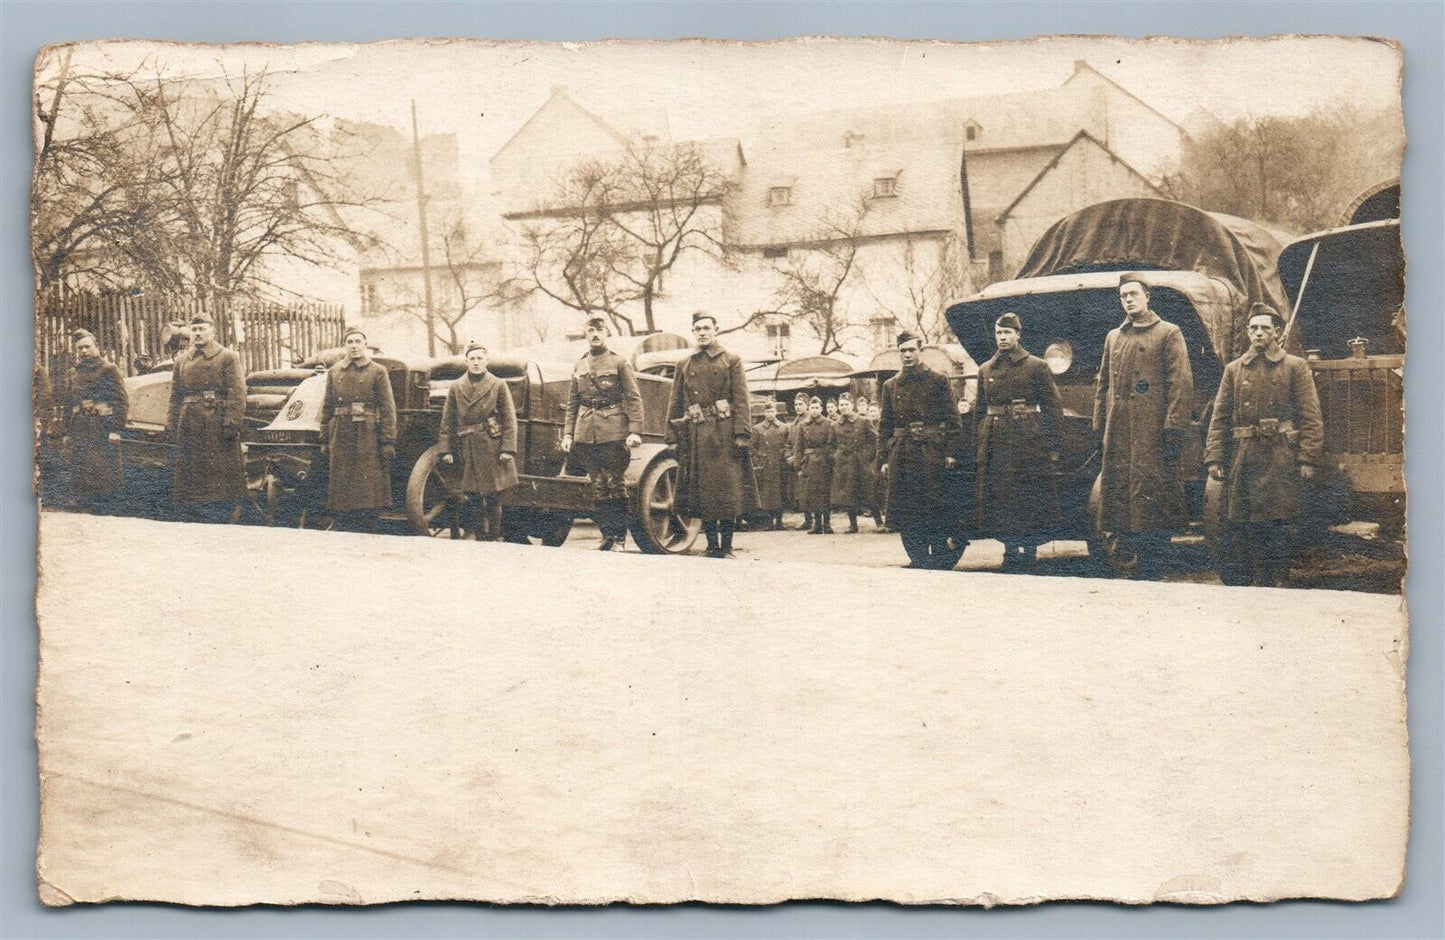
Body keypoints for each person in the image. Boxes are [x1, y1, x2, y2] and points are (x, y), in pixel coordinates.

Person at [1204, 304, 1324, 587]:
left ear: (1277, 333)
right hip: (1244, 457)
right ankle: (1256, 582)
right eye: (1253, 328)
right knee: (1245, 524)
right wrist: (1214, 458)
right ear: (1247, 332)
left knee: (1278, 522)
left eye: (1265, 328)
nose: (1259, 333)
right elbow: (1219, 417)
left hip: (1280, 455)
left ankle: (1278, 580)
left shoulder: (1294, 366)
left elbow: (1311, 415)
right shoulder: (1234, 370)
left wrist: (1307, 458)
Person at [1093, 273, 1195, 580]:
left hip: (1153, 432)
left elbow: (1180, 383)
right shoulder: (1114, 337)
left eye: (1134, 293)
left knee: (1152, 494)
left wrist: (1173, 426)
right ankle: (1133, 561)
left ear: (1147, 296)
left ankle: (1155, 564)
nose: (1128, 299)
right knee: (1122, 496)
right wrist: (1101, 424)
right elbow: (1103, 384)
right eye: (1123, 295)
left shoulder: (1168, 333)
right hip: (1120, 430)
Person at [974, 313, 1063, 572]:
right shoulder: (985, 369)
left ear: (1018, 335)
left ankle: (1031, 549)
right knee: (1002, 499)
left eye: (1007, 333)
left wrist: (1054, 445)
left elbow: (1052, 408)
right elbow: (980, 413)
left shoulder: (1036, 366)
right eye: (999, 333)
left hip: (1029, 441)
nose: (1002, 338)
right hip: (997, 442)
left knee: (1029, 497)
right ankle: (1011, 548)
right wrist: (978, 446)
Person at [665, 312, 752, 558]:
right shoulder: (684, 364)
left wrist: (742, 433)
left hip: (724, 434)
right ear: (693, 332)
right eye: (697, 329)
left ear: (716, 330)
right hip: (696, 433)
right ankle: (712, 545)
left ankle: (727, 546)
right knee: (702, 493)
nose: (702, 333)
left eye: (706, 328)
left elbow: (741, 399)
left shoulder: (731, 360)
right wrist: (671, 435)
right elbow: (675, 401)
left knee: (726, 491)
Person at [877, 331, 966, 568]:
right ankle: (918, 558)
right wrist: (884, 459)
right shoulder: (891, 385)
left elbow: (953, 420)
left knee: (934, 507)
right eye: (902, 351)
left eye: (911, 350)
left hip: (931, 454)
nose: (907, 355)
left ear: (920, 350)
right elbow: (885, 425)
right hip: (903, 455)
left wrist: (950, 452)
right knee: (907, 509)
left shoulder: (938, 380)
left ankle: (939, 558)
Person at [562, 314, 645, 550]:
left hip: (614, 431)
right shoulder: (579, 364)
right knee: (597, 485)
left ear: (607, 333)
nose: (595, 334)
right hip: (586, 432)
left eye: (600, 330)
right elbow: (572, 403)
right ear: (586, 334)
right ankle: (606, 537)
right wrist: (568, 434)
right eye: (591, 330)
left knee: (615, 483)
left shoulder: (619, 362)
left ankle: (619, 538)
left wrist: (635, 430)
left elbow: (633, 398)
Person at [167, 312, 247, 523]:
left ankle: (220, 515)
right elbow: (175, 396)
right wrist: (172, 424)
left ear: (213, 331)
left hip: (215, 423)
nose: (198, 333)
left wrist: (231, 423)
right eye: (194, 329)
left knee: (217, 475)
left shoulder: (227, 357)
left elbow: (237, 392)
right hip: (189, 424)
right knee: (191, 476)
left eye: (202, 329)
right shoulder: (182, 360)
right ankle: (193, 515)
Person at [318, 327, 397, 533]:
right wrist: (324, 438)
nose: (353, 346)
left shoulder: (377, 371)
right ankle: (344, 524)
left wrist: (388, 440)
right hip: (341, 430)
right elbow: (327, 405)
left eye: (357, 342)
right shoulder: (335, 371)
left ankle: (368, 525)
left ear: (365, 344)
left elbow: (387, 407)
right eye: (349, 342)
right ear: (345, 346)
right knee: (342, 478)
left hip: (367, 431)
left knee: (366, 480)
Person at [439, 342, 518, 541]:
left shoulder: (498, 384)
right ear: (466, 361)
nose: (476, 363)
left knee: (493, 495)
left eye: (480, 358)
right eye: (472, 359)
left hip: (491, 444)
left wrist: (508, 448)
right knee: (472, 496)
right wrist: (445, 450)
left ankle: (492, 536)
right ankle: (480, 537)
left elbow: (509, 418)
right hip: (467, 445)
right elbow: (447, 420)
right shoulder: (457, 386)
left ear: (487, 360)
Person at [63, 329, 129, 514]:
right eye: (80, 348)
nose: (84, 351)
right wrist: (67, 432)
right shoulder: (74, 372)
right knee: (80, 467)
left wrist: (116, 429)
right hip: (79, 427)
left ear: (96, 347)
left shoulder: (109, 369)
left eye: (87, 347)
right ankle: (82, 503)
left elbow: (121, 401)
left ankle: (103, 508)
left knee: (102, 470)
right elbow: (70, 403)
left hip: (101, 427)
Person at [830, 392, 877, 533]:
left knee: (869, 492)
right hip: (844, 464)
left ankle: (879, 523)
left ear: (852, 405)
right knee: (848, 495)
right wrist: (836, 456)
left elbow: (875, 440)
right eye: (841, 405)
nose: (844, 407)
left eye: (846, 404)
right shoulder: (835, 425)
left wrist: (867, 456)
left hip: (861, 463)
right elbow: (830, 445)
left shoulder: (864, 421)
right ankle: (853, 524)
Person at [794, 395, 836, 534]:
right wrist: (798, 466)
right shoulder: (803, 425)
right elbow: (798, 446)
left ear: (821, 409)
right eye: (812, 407)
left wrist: (831, 461)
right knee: (812, 494)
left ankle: (827, 524)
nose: (814, 410)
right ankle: (816, 525)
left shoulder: (829, 423)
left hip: (824, 462)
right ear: (809, 408)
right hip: (809, 463)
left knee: (824, 493)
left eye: (817, 407)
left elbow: (832, 444)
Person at [751, 399, 790, 530]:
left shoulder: (784, 427)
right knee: (767, 494)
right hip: (765, 464)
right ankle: (768, 522)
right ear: (764, 413)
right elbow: (752, 448)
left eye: (772, 411)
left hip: (780, 464)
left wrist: (784, 455)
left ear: (776, 412)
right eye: (767, 411)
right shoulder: (757, 428)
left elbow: (788, 445)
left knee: (780, 492)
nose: (770, 414)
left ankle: (779, 521)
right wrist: (759, 460)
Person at [786, 391, 813, 531]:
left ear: (807, 405)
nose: (797, 407)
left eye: (800, 404)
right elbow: (790, 443)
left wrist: (798, 458)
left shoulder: (809, 420)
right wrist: (788, 456)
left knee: (808, 491)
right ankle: (807, 519)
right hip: (796, 461)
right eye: (796, 404)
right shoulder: (795, 422)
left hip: (807, 461)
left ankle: (812, 520)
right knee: (800, 492)